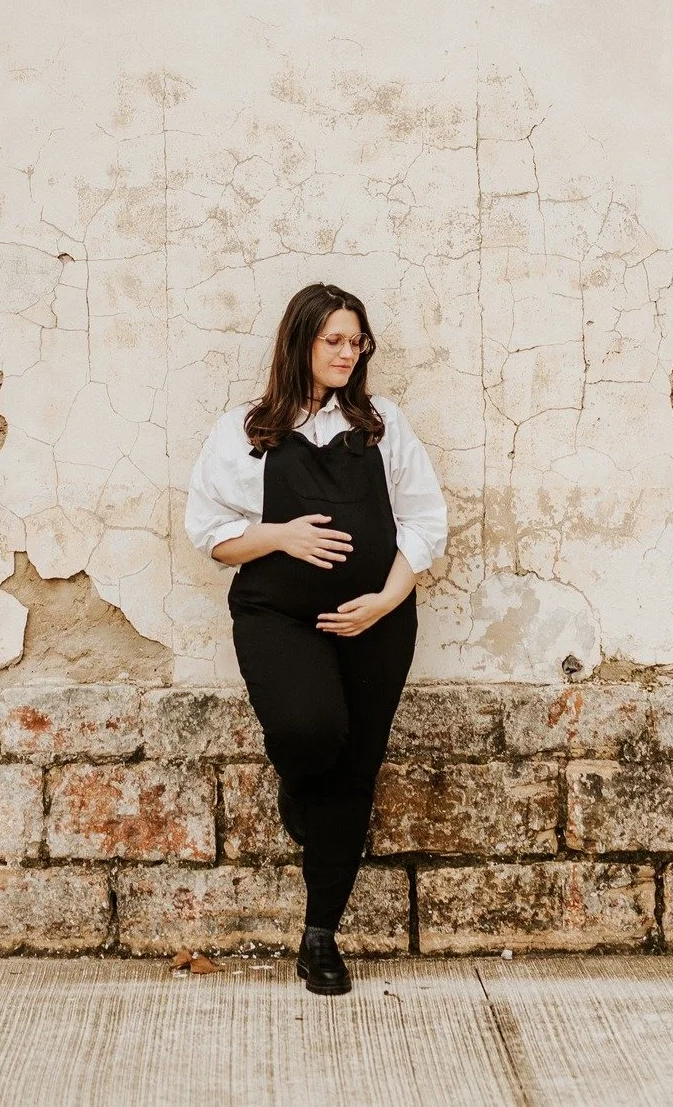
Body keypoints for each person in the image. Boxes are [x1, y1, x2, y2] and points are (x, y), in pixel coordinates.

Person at [186, 282, 448, 996]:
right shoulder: (244, 429)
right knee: (309, 735)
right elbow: (210, 534)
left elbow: (424, 525)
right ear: (299, 341)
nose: (346, 352)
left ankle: (319, 936)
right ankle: (298, 792)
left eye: (355, 340)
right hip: (278, 615)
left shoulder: (382, 424)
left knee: (355, 770)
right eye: (332, 339)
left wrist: (384, 601)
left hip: (377, 621)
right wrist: (279, 536)